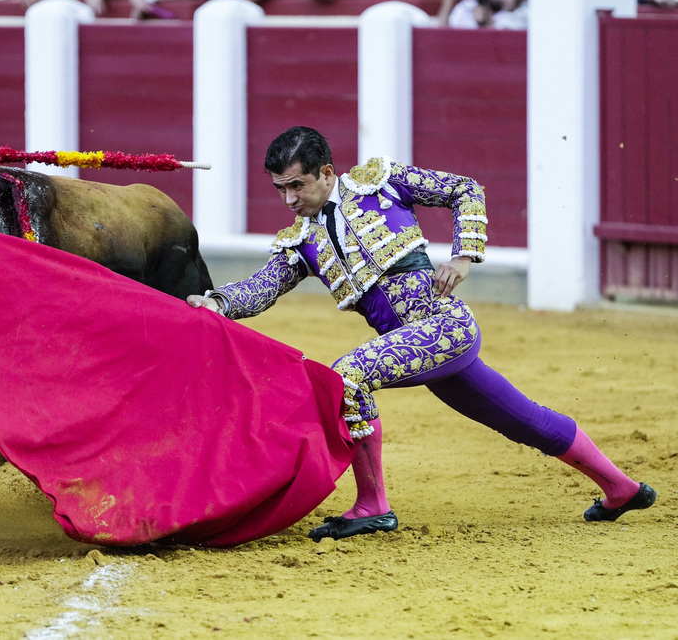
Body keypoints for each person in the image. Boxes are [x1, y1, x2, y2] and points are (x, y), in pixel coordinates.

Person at [187, 126, 656, 540]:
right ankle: (621, 488)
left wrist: (463, 256)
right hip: (417, 349)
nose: (289, 199)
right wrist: (218, 303)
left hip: (443, 328)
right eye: (280, 189)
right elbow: (262, 287)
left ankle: (373, 505)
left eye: (297, 185)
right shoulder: (301, 240)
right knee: (523, 419)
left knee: (348, 374)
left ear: (327, 172)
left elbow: (465, 189)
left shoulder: (382, 183)